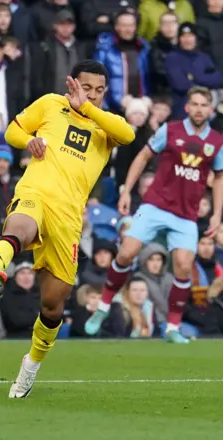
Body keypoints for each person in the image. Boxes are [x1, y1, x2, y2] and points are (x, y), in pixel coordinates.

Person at [0, 60, 135, 398]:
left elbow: (129, 135)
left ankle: (30, 366)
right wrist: (28, 142)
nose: (92, 94)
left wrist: (87, 107)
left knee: (52, 305)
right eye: (86, 87)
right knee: (19, 229)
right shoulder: (49, 104)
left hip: (69, 219)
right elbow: (13, 131)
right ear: (71, 82)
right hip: (35, 193)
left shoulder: (106, 126)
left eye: (99, 91)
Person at [85, 86, 223, 344]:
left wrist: (216, 214)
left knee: (183, 267)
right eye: (194, 104)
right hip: (154, 206)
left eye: (204, 105)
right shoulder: (169, 130)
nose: (199, 109)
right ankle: (103, 307)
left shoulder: (216, 141)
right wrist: (126, 191)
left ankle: (172, 327)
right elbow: (143, 156)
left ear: (210, 109)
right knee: (126, 252)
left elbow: (220, 177)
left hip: (186, 215)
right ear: (187, 106)